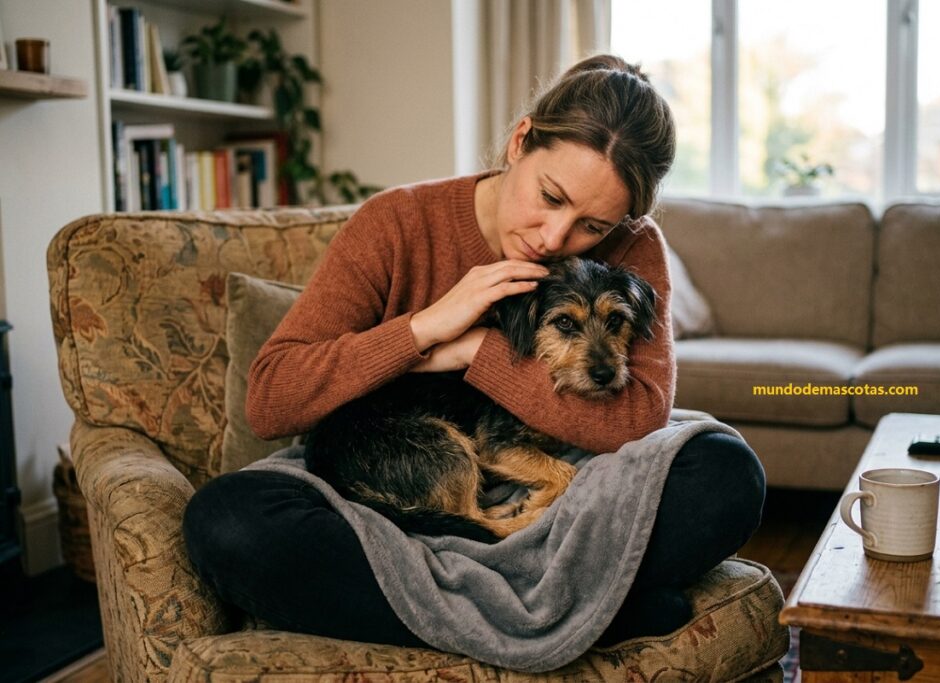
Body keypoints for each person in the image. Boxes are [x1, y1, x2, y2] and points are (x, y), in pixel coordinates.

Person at [183, 55, 765, 649]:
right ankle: (579, 610)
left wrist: (479, 351)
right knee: (227, 520)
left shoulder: (634, 247)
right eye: (549, 195)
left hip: (554, 494)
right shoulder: (397, 222)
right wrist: (426, 331)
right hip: (389, 495)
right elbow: (271, 400)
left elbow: (639, 418)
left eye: (592, 227)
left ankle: (452, 606)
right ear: (519, 141)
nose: (554, 239)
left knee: (725, 472)